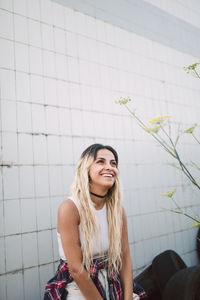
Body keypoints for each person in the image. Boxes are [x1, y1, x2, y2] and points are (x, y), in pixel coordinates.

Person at [44, 144, 147, 300]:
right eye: (101, 161)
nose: (109, 167)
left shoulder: (118, 211)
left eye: (113, 163)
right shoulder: (70, 208)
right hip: (78, 283)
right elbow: (76, 269)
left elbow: (125, 258)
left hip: (111, 277)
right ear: (86, 169)